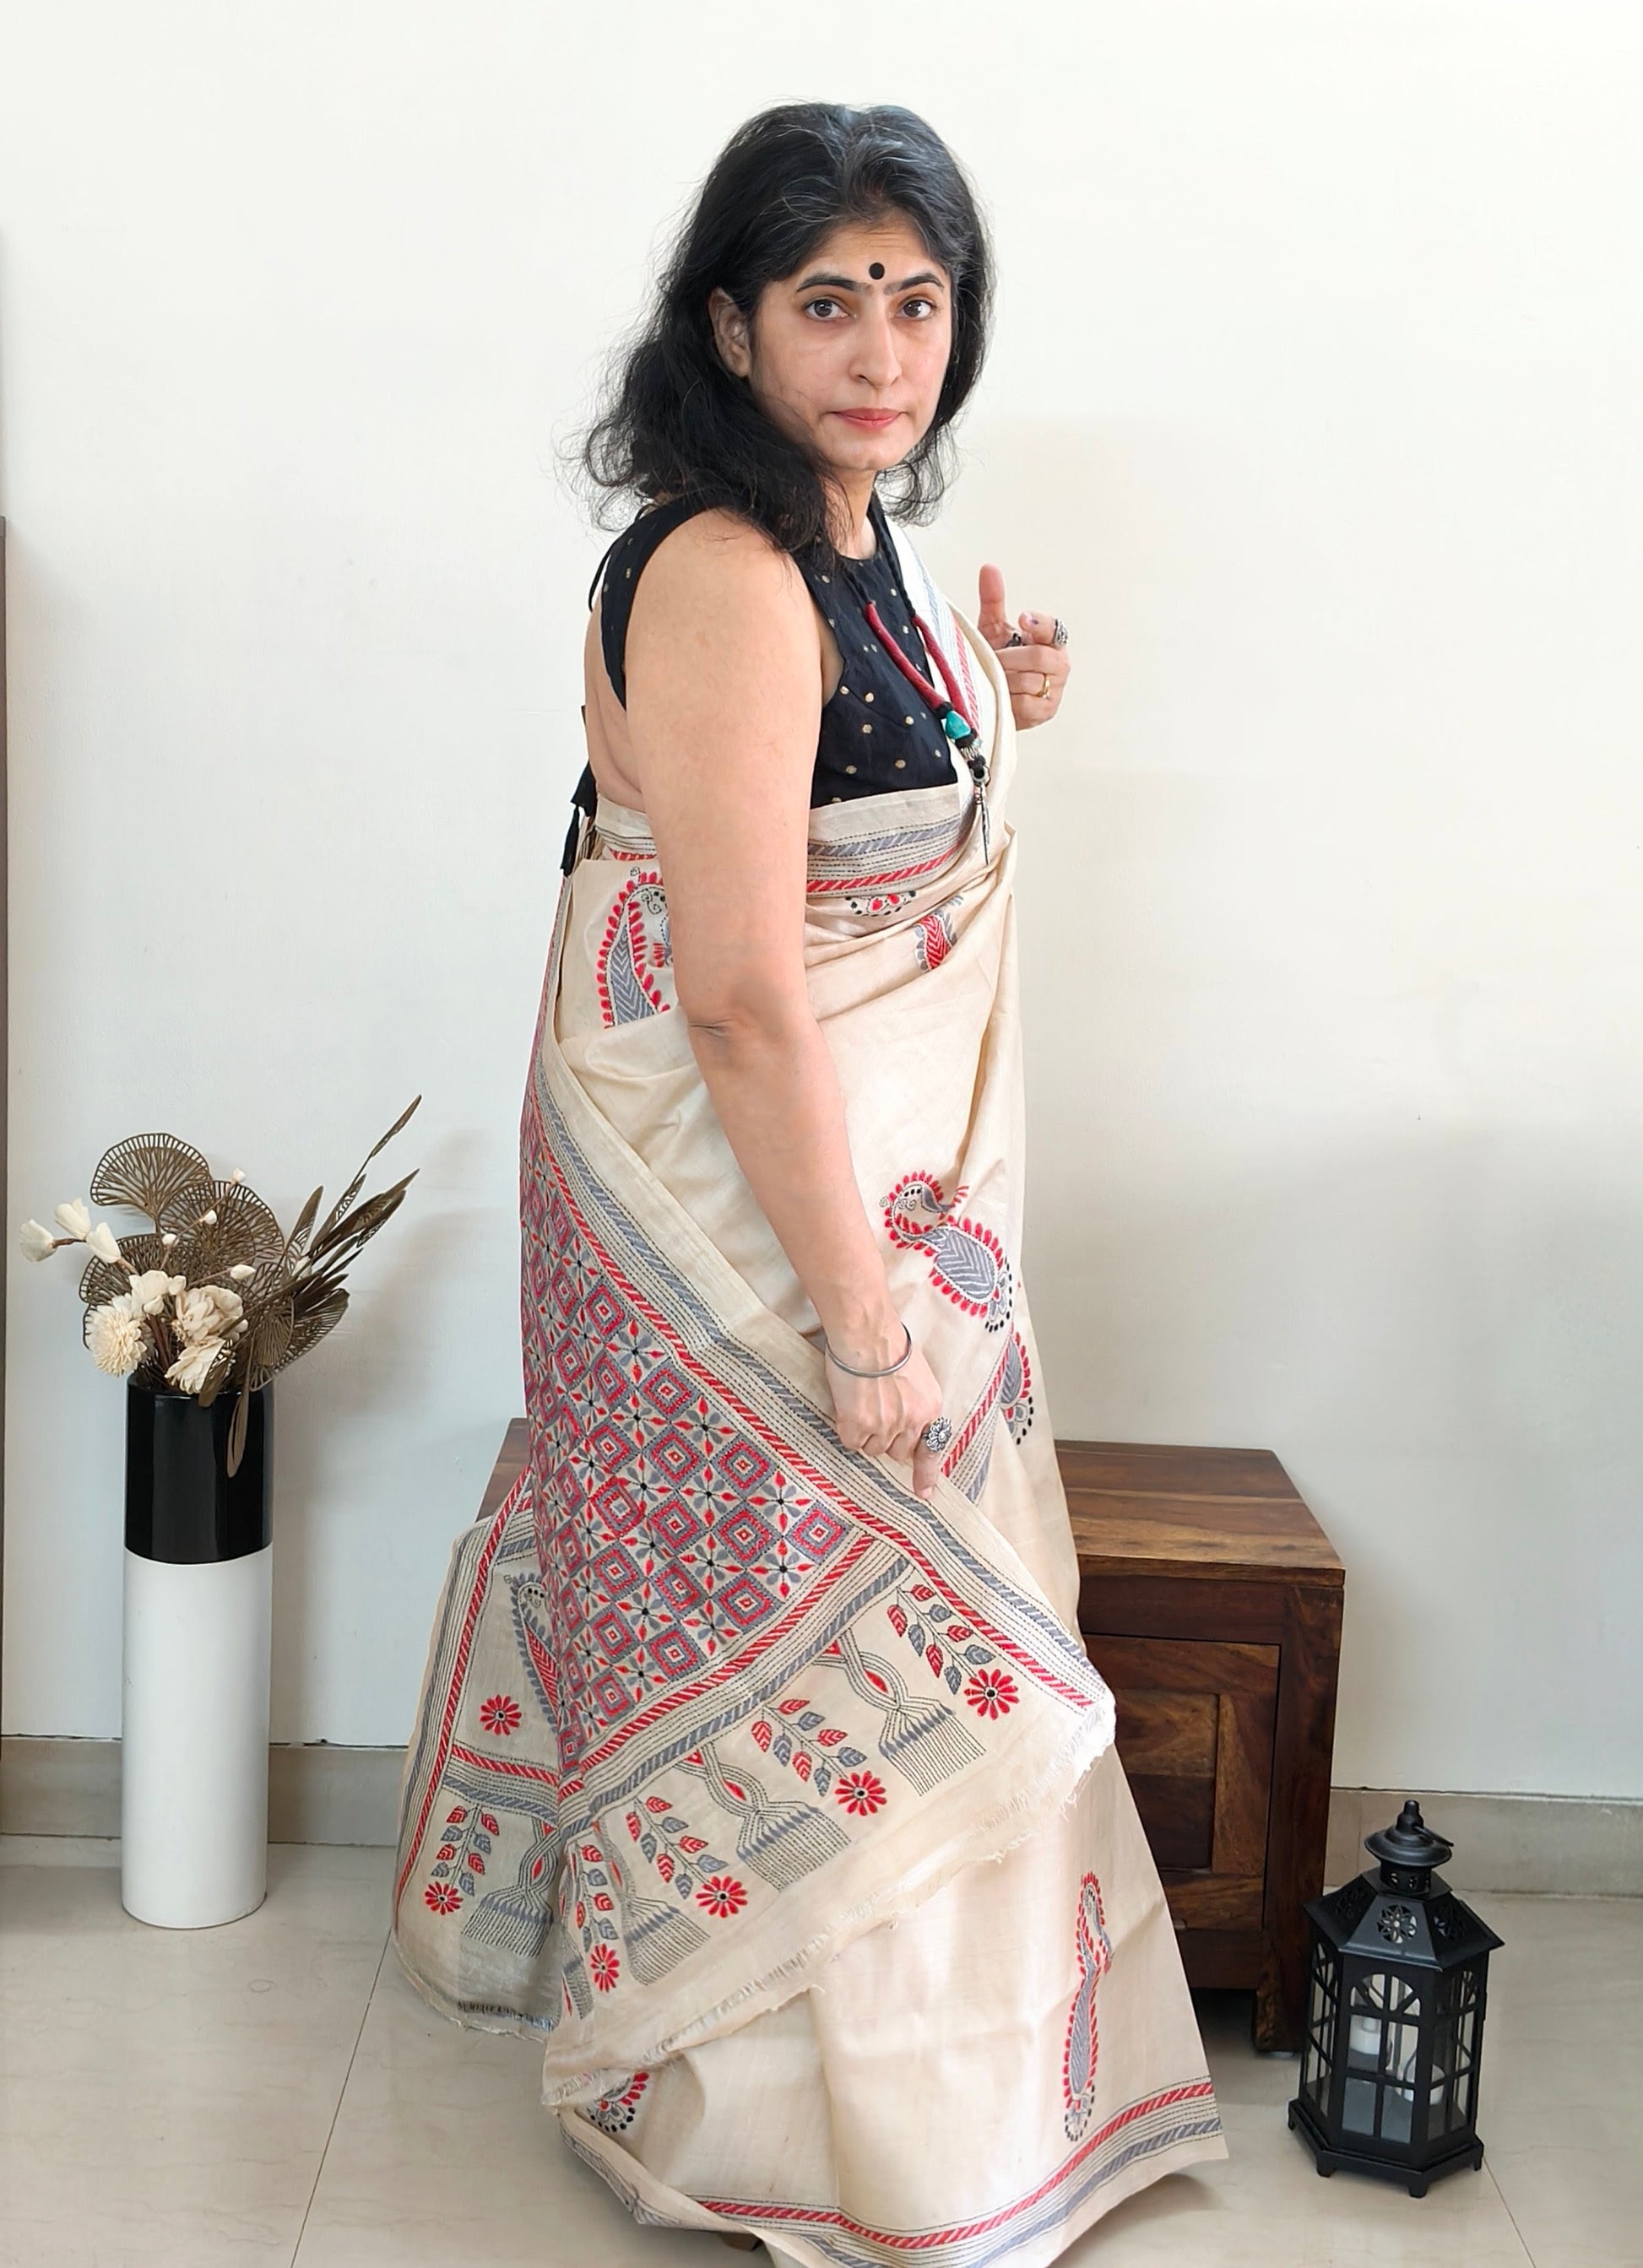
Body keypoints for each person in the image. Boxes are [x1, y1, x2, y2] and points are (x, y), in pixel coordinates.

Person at [393, 101, 1226, 2267]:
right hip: (747, 1215)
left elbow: (870, 823)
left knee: (884, 1619)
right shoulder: (726, 571)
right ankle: (780, 2119)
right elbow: (750, 992)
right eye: (829, 301)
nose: (881, 350)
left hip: (861, 1200)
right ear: (728, 326)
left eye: (919, 302)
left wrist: (997, 711)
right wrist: (861, 1313)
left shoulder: (857, 547)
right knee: (800, 1601)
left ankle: (941, 2107)